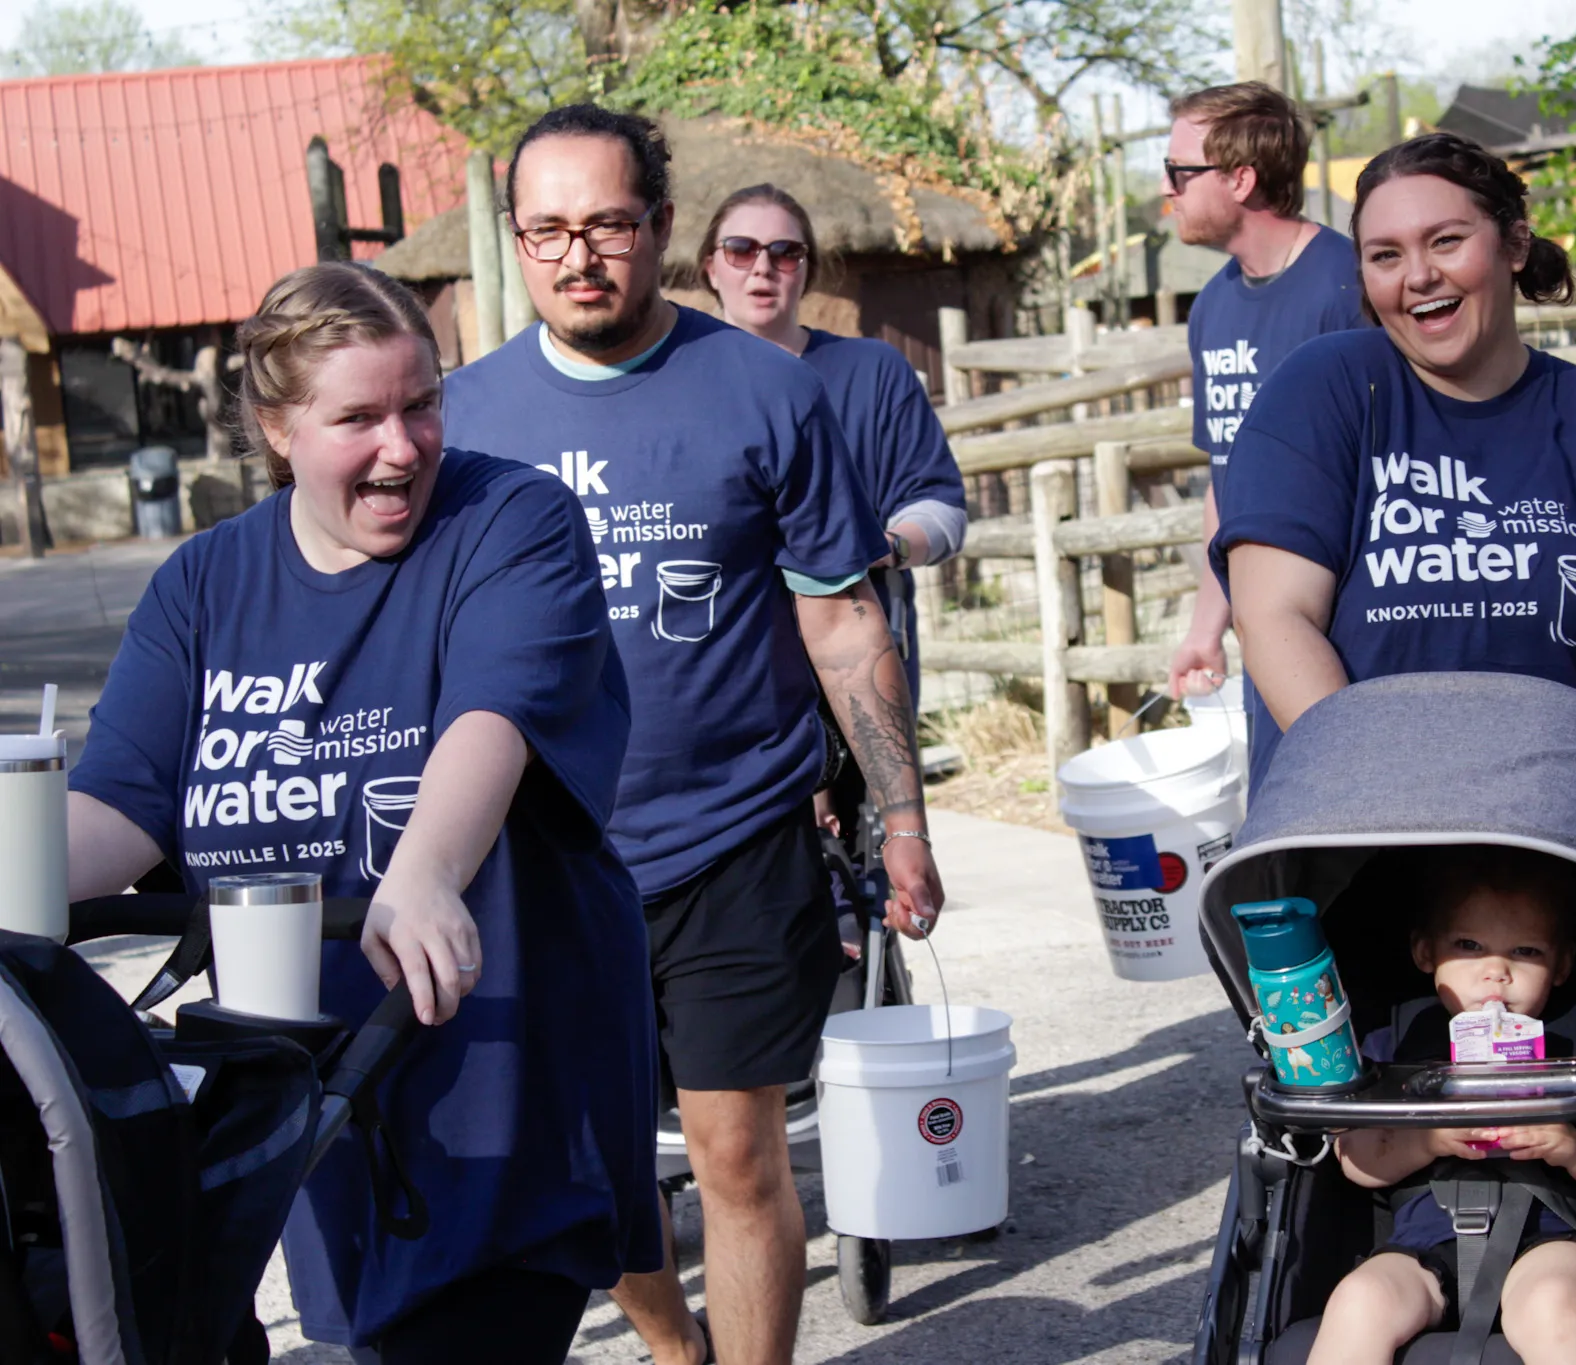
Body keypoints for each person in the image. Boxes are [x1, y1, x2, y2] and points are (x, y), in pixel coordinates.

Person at [64, 262, 660, 1363]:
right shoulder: (204, 584)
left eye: (421, 403)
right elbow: (120, 805)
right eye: (358, 417)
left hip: (502, 1076)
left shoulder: (509, 517)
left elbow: (494, 710)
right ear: (275, 426)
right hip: (306, 1105)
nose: (403, 446)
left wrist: (425, 869)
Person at [441, 106, 944, 1365]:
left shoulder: (765, 390)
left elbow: (841, 622)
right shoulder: (461, 420)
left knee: (737, 1148)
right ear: (514, 242)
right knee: (593, 1173)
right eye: (547, 231)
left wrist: (902, 817)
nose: (579, 256)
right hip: (543, 856)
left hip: (733, 833)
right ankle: (676, 1348)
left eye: (606, 224)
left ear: (659, 228)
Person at [1215, 133, 1576, 803]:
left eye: (1445, 241)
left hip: (1564, 807)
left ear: (1514, 245)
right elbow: (1273, 614)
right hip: (1352, 809)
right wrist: (1390, 792)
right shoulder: (1322, 391)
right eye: (1385, 255)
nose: (1418, 275)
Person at [1311, 846, 1576, 1365]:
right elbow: (1356, 1161)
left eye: (1526, 952)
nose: (1497, 972)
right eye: (1469, 946)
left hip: (1554, 1242)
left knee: (1550, 1307)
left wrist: (1574, 1148)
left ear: (1561, 964)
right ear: (1426, 952)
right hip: (1422, 1246)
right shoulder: (1396, 1040)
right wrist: (1427, 1139)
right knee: (1358, 1301)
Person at [693, 182, 968, 713]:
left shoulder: (873, 372)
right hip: (733, 677)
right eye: (740, 249)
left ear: (808, 269)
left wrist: (881, 548)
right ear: (710, 267)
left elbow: (942, 509)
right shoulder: (678, 389)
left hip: (860, 665)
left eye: (785, 253)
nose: (762, 267)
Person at [1162, 80, 1366, 707]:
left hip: (1349, 641)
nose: (1167, 190)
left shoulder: (1349, 286)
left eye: (1178, 172)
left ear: (1240, 180)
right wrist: (1207, 627)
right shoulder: (1213, 304)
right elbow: (1227, 481)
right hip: (1261, 643)